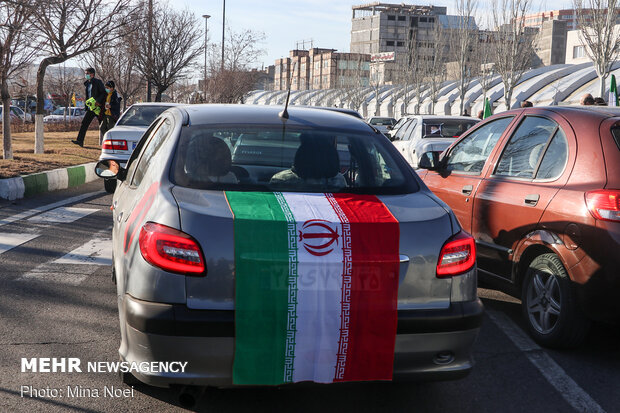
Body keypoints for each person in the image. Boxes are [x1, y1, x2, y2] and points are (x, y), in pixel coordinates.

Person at [72, 68, 105, 147]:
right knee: (84, 123)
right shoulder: (87, 84)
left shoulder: (98, 82)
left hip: (98, 108)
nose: (86, 75)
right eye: (85, 73)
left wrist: (98, 101)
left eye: (87, 73)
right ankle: (80, 141)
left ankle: (109, 142)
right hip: (91, 108)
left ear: (92, 74)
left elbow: (103, 93)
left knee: (103, 125)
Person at [99, 80, 122, 145]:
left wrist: (111, 106)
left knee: (110, 128)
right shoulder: (106, 94)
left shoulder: (115, 94)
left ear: (112, 88)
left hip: (112, 114)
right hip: (106, 113)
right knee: (102, 128)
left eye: (108, 88)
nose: (106, 89)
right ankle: (107, 140)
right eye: (106, 87)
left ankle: (112, 142)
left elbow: (117, 105)